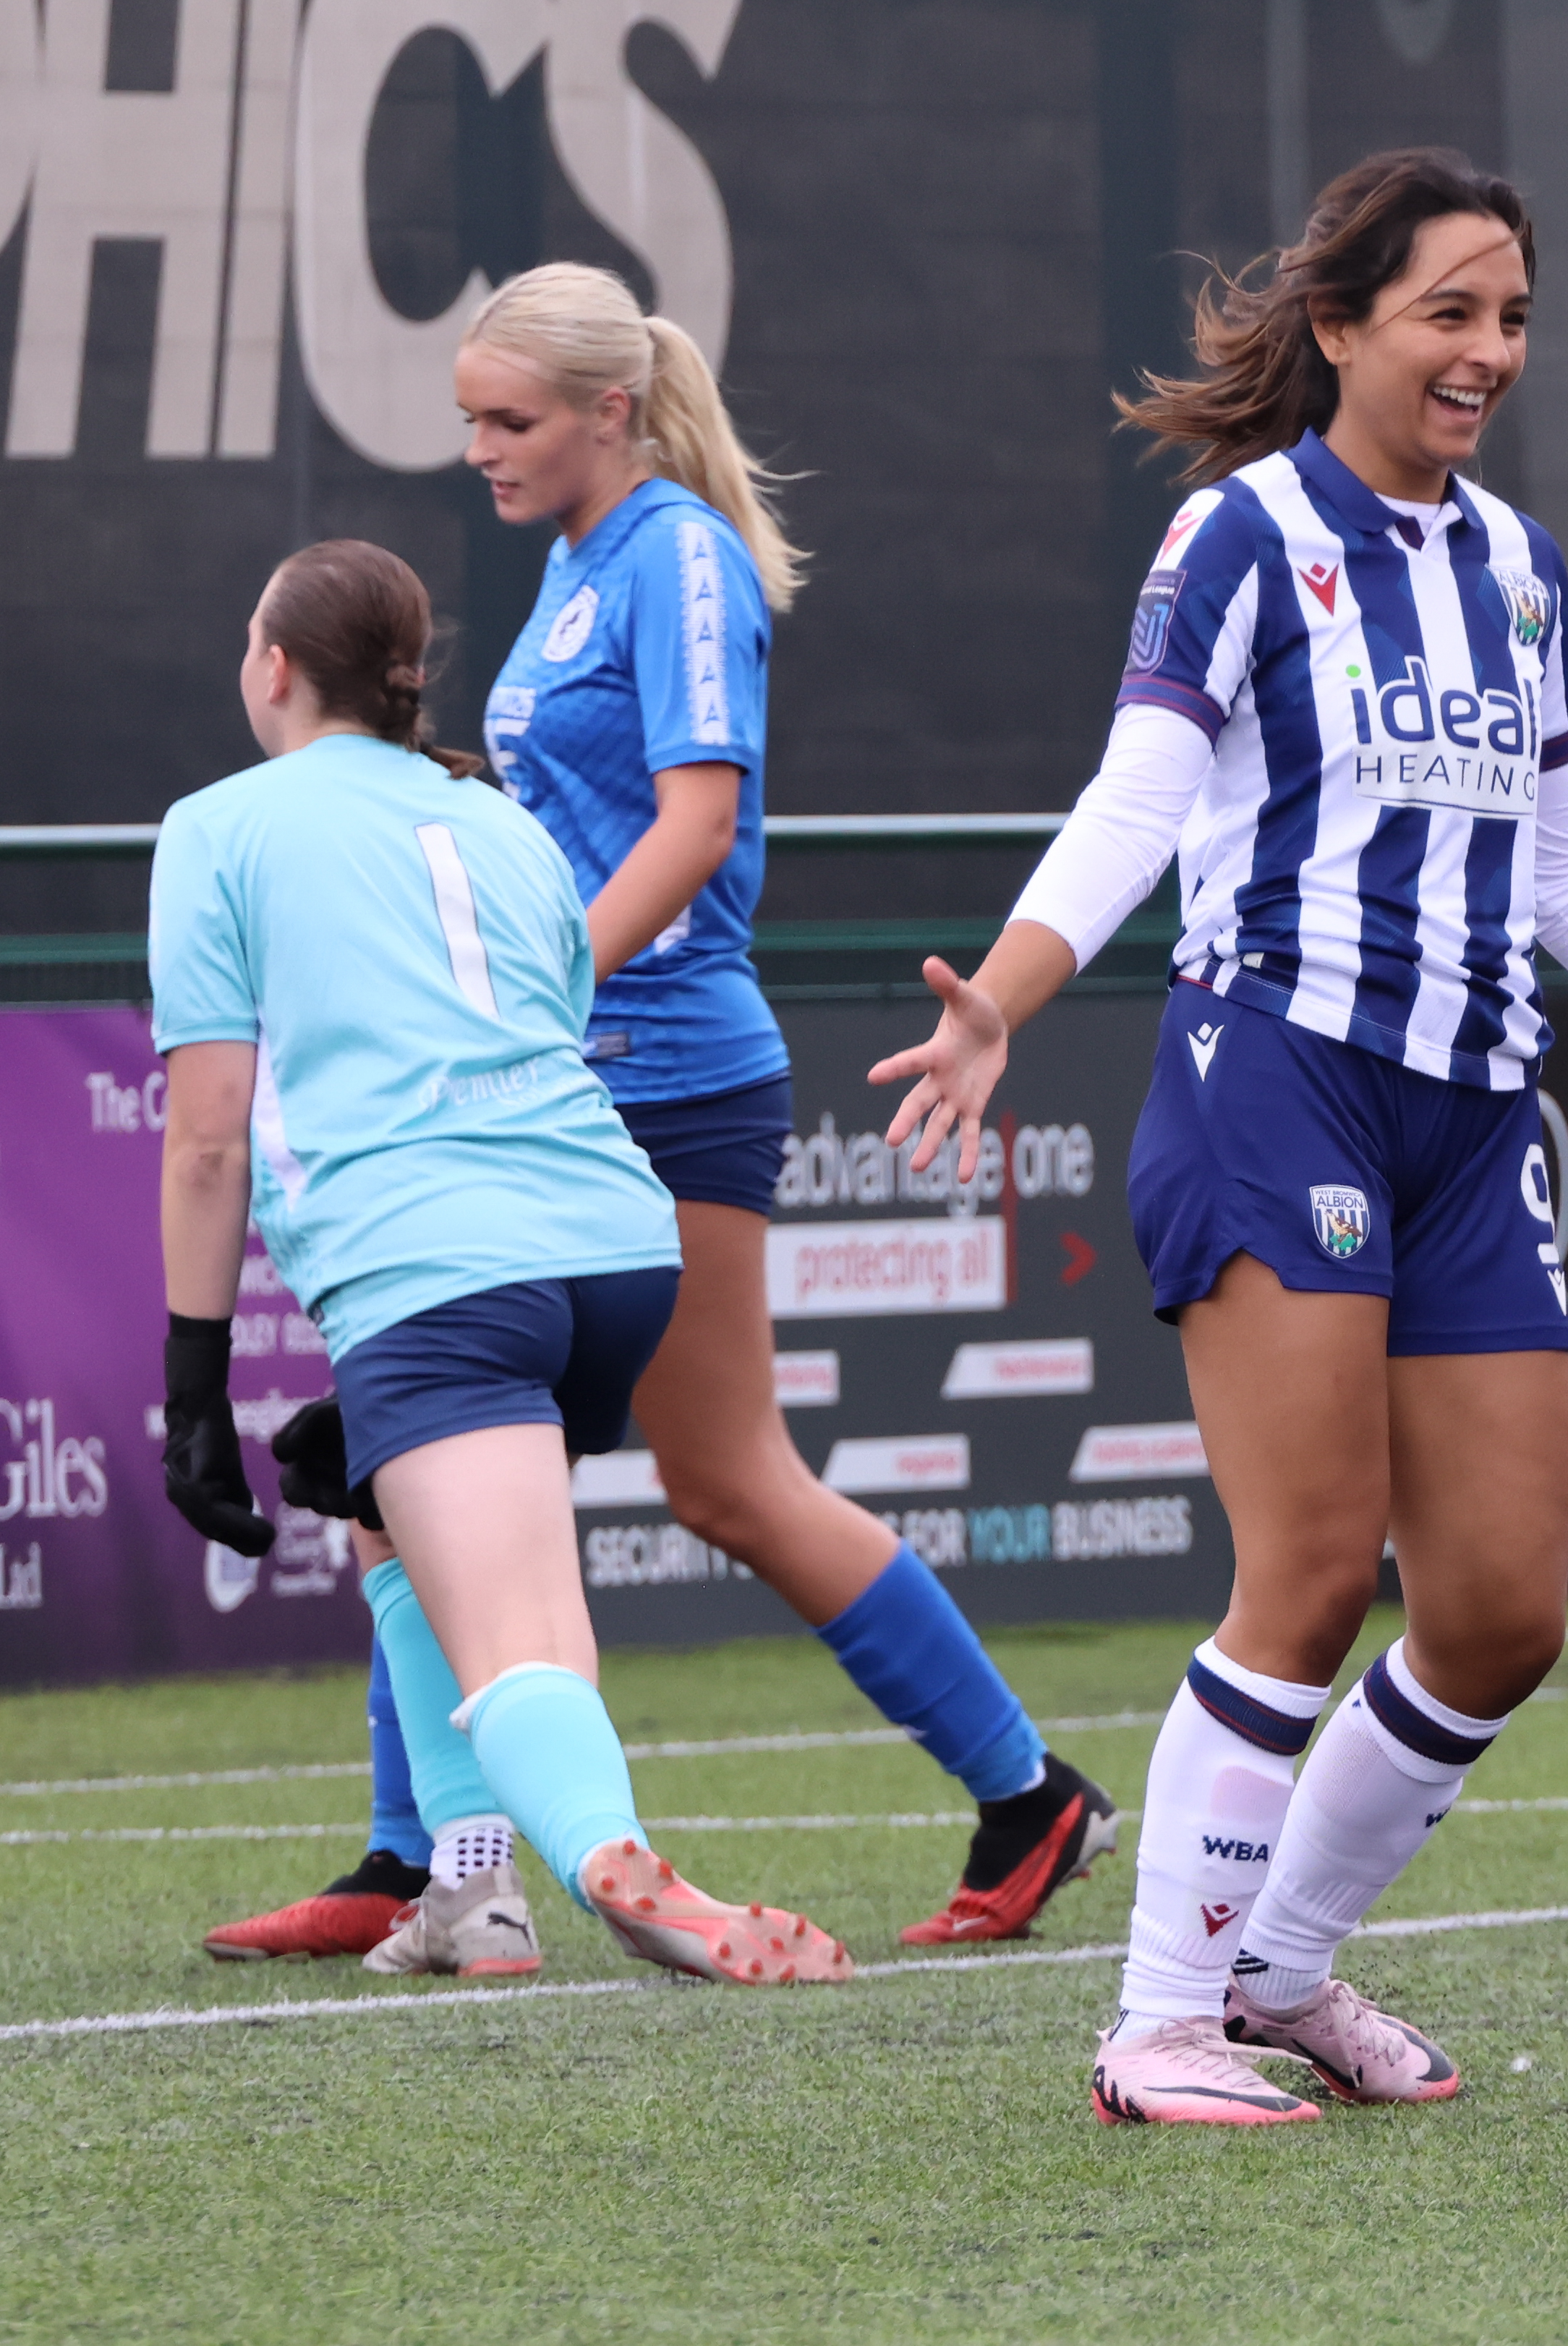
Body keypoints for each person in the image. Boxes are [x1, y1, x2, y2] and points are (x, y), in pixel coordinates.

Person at [874, 148, 1568, 2125]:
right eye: (1452, 311)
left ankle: (1276, 1969)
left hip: (1470, 1114)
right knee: (1304, 1574)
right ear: (1344, 320)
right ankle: (1154, 2025)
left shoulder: (1519, 567)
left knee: (1501, 1612)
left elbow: (1564, 869)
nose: (1491, 352)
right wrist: (1005, 997)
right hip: (1273, 1074)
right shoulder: (1242, 536)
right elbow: (1133, 802)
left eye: (1515, 316)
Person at [200, 263, 1112, 1971]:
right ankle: (430, 1860)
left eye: (508, 417)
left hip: (660, 1067)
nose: (477, 445)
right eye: (472, 414)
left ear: (610, 410)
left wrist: (527, 994)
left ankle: (1025, 1786)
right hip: (570, 1076)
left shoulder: (676, 552)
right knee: (404, 1453)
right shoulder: (576, 563)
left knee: (726, 1476)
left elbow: (696, 826)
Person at [155, 537, 847, 1986]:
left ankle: (611, 1862)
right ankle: (472, 1892)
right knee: (389, 1522)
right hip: (611, 1245)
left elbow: (208, 1141)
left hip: (438, 1260)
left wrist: (193, 1383)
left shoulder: (217, 824)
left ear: (273, 666)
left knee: (516, 1629)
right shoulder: (509, 823)